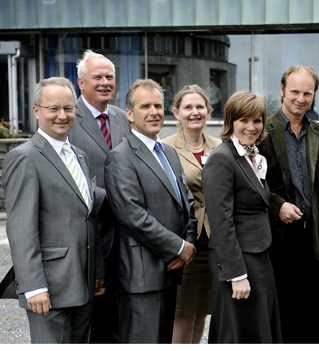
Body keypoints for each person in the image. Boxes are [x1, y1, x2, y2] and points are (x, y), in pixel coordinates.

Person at [2, 77, 105, 343]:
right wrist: (33, 286)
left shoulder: (79, 155)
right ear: (37, 111)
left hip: (83, 282)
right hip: (48, 288)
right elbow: (21, 228)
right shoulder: (24, 157)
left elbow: (88, 218)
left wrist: (97, 272)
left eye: (68, 108)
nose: (62, 115)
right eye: (53, 108)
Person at [104, 79, 197, 343]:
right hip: (141, 277)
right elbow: (133, 216)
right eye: (145, 106)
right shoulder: (120, 157)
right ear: (130, 115)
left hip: (169, 271)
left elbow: (187, 203)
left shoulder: (168, 151)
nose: (154, 111)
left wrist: (188, 243)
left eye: (158, 105)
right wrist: (178, 247)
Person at [258, 65, 319, 344]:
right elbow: (251, 184)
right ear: (282, 91)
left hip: (315, 237)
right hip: (279, 239)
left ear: (315, 96)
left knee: (317, 315)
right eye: (294, 91)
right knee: (283, 314)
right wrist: (276, 205)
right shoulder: (262, 131)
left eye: (307, 93)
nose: (300, 98)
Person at [202, 91, 282, 343]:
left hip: (258, 254)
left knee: (258, 327)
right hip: (238, 261)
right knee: (237, 331)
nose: (251, 127)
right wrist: (236, 275)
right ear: (231, 122)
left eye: (257, 120)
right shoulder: (221, 159)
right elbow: (221, 223)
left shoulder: (251, 156)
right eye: (244, 120)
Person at [68, 49, 130, 343]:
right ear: (81, 82)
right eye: (98, 77)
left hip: (125, 236)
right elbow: (61, 170)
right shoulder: (67, 117)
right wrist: (104, 196)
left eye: (110, 77)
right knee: (94, 325)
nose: (105, 82)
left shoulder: (121, 117)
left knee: (122, 319)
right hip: (91, 236)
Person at [161, 85, 221, 344]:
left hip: (215, 243)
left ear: (208, 111)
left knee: (201, 314)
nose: (194, 112)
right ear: (176, 112)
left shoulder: (220, 146)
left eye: (200, 107)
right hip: (186, 243)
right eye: (188, 107)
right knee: (182, 315)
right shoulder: (164, 149)